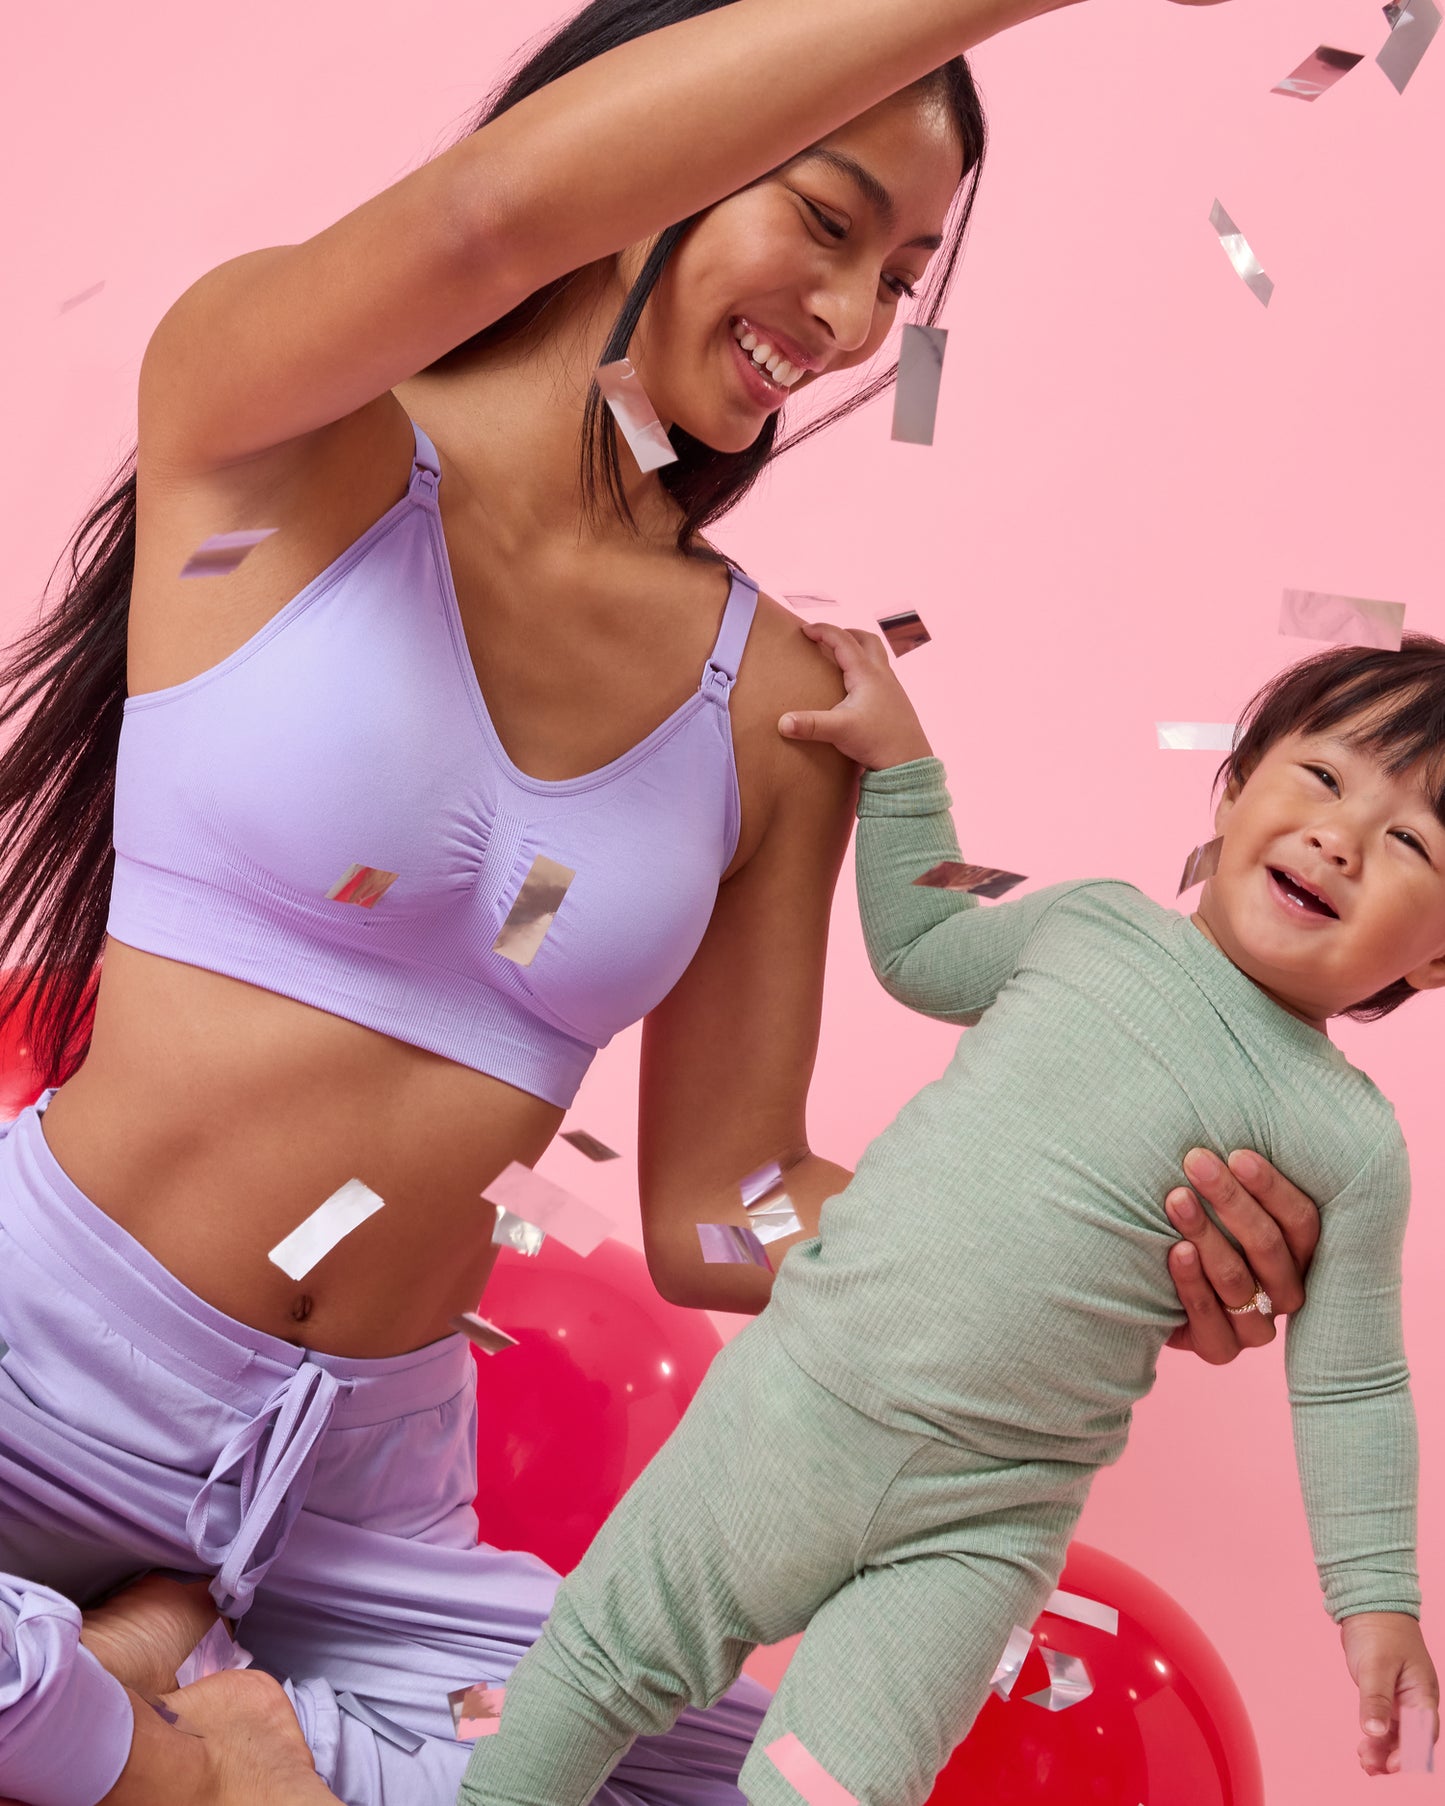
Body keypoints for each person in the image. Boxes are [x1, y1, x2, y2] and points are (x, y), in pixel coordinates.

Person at [0, 0, 1317, 1802]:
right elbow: (486, 221)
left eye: (903, 277)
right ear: (661, 145)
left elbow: (731, 1211)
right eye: (830, 223)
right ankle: (166, 1729)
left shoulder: (779, 697)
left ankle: (137, 1688)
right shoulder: (273, 428)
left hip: (362, 1512)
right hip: (42, 1360)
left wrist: (1102, 1240)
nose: (852, 323)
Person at [460, 627, 1445, 1806]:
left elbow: (1350, 1386)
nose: (1339, 838)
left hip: (983, 1520)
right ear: (1230, 789)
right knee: (593, 1666)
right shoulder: (1091, 920)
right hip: (793, 1402)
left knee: (829, 1790)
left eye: (1408, 844)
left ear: (1436, 959)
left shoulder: (1348, 1139)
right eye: (1322, 778)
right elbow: (925, 946)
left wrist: (1376, 1601)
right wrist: (904, 769)